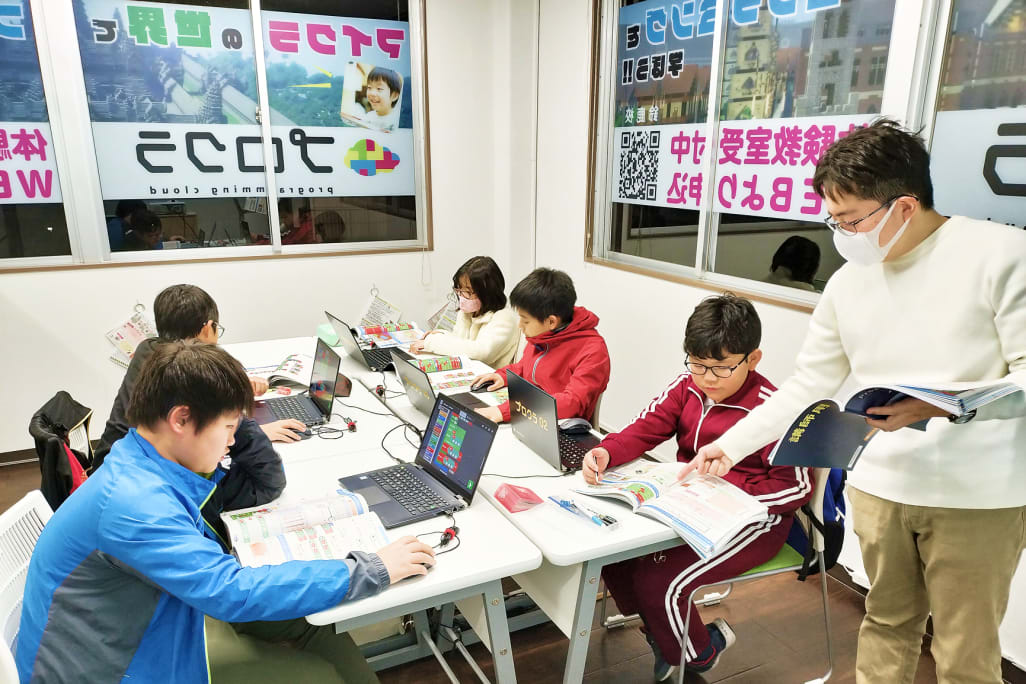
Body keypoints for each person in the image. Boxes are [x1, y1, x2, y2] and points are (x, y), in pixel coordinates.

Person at [683, 119, 1026, 684]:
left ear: (904, 206)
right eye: (833, 219)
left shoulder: (999, 255)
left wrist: (943, 405)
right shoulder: (849, 283)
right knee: (886, 623)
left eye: (850, 219)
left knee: (965, 650)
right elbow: (807, 384)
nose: (841, 234)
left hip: (976, 495)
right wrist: (730, 445)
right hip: (880, 484)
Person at [15, 342, 435, 683]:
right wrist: (372, 568)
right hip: (109, 667)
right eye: (229, 428)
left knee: (312, 625)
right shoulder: (133, 504)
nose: (231, 442)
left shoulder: (143, 461)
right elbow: (231, 593)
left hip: (128, 625)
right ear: (181, 419)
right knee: (319, 675)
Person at [581, 294, 811, 680]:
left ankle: (700, 654)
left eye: (721, 368)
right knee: (614, 555)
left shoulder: (773, 410)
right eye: (697, 364)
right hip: (690, 506)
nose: (707, 379)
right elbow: (646, 426)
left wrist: (727, 487)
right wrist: (607, 451)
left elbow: (796, 489)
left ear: (753, 359)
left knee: (660, 582)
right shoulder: (688, 387)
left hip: (757, 522)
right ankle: (664, 634)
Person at [94, 284, 308, 544]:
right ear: (208, 327)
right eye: (228, 427)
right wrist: (243, 423)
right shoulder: (189, 376)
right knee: (263, 486)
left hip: (111, 464)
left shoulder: (149, 350)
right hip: (151, 476)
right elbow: (269, 482)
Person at [471, 267, 610, 424]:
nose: (520, 326)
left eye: (525, 320)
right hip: (529, 414)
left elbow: (572, 403)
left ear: (551, 321)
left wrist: (507, 410)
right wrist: (503, 376)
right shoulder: (543, 336)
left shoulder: (593, 350)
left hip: (561, 425)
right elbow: (525, 367)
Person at [409, 256, 520, 367]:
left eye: (467, 291)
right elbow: (460, 343)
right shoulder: (468, 312)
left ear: (487, 292)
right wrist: (441, 334)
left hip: (489, 375)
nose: (461, 296)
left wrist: (432, 342)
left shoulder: (505, 317)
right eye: (459, 290)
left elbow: (481, 352)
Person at [342, 66, 402, 132]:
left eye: (379, 88)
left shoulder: (396, 119)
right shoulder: (369, 117)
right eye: (369, 87)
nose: (372, 93)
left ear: (394, 96)